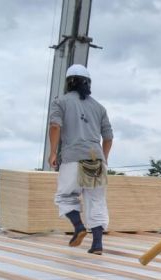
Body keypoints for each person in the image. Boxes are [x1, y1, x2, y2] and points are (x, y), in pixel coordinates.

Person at [48, 63, 113, 255]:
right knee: (96, 200)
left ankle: (78, 227)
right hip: (96, 159)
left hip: (73, 157)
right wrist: (104, 158)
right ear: (88, 83)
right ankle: (97, 245)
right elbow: (108, 137)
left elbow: (54, 126)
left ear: (69, 83)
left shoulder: (60, 102)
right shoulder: (99, 107)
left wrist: (53, 153)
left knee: (65, 196)